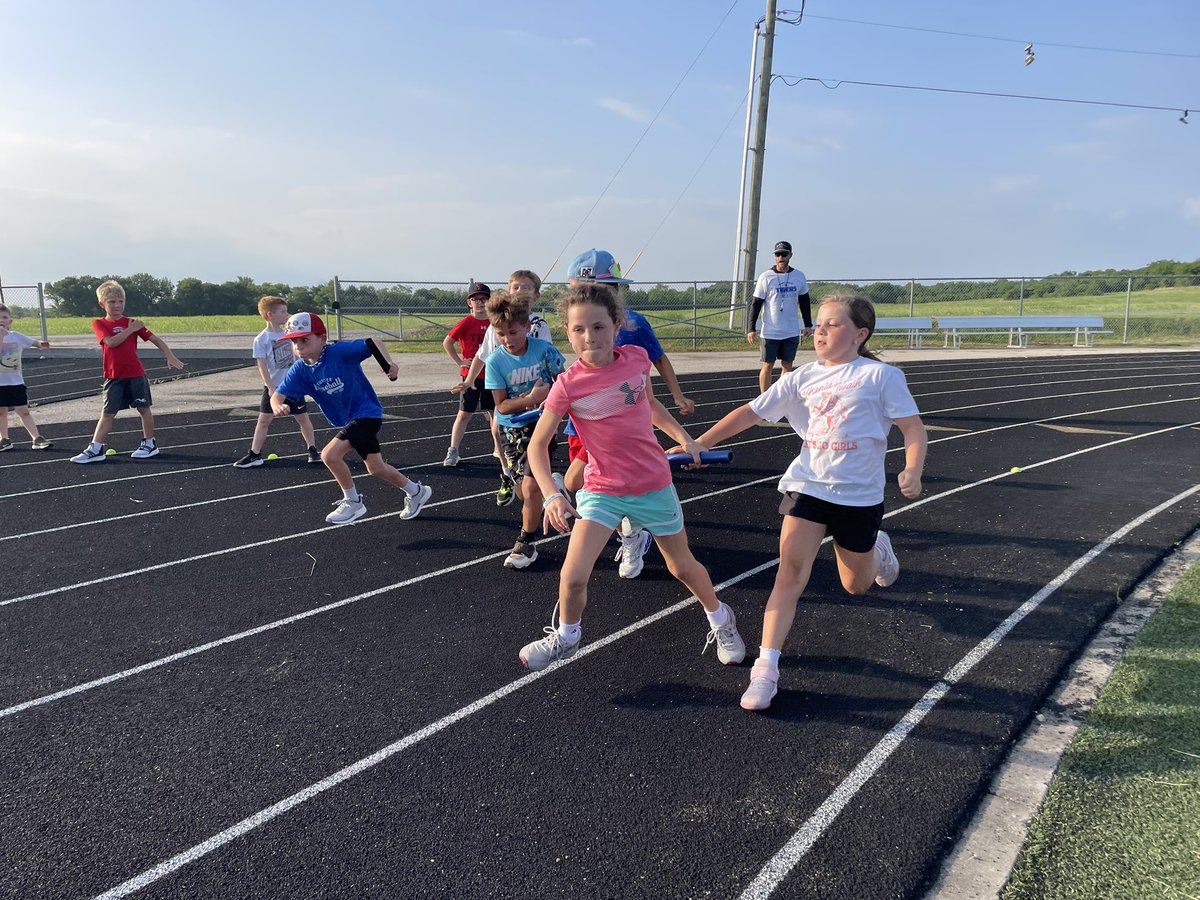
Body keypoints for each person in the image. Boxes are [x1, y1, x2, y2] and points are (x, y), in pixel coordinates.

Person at [691, 294, 927, 711]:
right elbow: (749, 413)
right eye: (818, 323)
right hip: (808, 487)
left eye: (832, 325)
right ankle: (765, 671)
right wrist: (696, 444)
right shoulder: (802, 377)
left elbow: (912, 428)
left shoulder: (881, 376)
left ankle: (878, 547)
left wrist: (912, 469)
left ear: (860, 334)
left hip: (859, 497)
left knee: (855, 586)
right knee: (790, 573)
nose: (819, 330)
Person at [519, 281, 746, 671]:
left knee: (682, 568)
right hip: (603, 490)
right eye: (578, 329)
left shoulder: (638, 359)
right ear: (568, 333)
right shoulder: (567, 386)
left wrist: (686, 439)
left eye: (598, 327)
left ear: (616, 324)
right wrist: (554, 495)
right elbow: (536, 447)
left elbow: (651, 403)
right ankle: (567, 636)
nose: (589, 337)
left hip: (652, 486)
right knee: (573, 576)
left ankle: (721, 619)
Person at [563, 248, 696, 581]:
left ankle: (632, 533)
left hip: (624, 418)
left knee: (616, 480)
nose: (606, 293)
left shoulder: (634, 324)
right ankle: (628, 525)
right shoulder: (577, 320)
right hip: (585, 417)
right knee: (572, 481)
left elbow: (658, 360)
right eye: (598, 285)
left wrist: (677, 396)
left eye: (612, 287)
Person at [271, 312, 432, 525]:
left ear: (322, 338)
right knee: (376, 468)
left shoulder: (339, 352)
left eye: (305, 339)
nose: (299, 346)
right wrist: (277, 406)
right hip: (350, 420)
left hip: (367, 414)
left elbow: (373, 341)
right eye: (294, 341)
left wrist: (389, 366)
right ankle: (416, 491)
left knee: (329, 455)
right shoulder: (300, 369)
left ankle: (353, 501)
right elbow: (277, 395)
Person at [482, 290, 566, 570]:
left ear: (528, 327)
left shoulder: (544, 351)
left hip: (541, 424)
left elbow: (565, 382)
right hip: (513, 430)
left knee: (530, 490)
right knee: (523, 492)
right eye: (501, 334)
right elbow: (502, 407)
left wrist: (552, 397)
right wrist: (532, 398)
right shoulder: (495, 362)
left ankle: (525, 542)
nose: (508, 340)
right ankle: (550, 482)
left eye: (513, 332)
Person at [453, 270, 553, 507]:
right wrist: (469, 381)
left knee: (539, 444)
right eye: (515, 287)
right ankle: (507, 473)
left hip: (536, 392)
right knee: (497, 426)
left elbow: (548, 357)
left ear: (536, 295)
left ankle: (546, 481)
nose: (519, 291)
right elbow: (482, 355)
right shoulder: (495, 325)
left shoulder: (538, 324)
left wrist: (548, 391)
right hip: (506, 390)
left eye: (525, 287)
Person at [71, 280, 185, 463]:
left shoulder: (131, 322)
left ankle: (150, 444)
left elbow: (156, 339)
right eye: (112, 302)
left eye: (120, 301)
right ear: (102, 304)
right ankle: (96, 448)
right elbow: (111, 342)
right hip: (113, 376)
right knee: (108, 413)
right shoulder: (99, 323)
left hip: (135, 375)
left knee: (143, 408)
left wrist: (169, 355)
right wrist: (131, 329)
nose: (117, 305)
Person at [234, 295, 321, 468]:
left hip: (293, 385)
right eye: (282, 312)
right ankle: (255, 454)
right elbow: (262, 366)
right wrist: (272, 388)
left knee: (303, 418)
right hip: (274, 387)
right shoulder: (261, 339)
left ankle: (312, 450)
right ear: (270, 315)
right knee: (264, 420)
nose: (287, 315)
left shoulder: (290, 335)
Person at [440, 282, 500, 467]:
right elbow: (447, 342)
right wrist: (459, 361)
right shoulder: (467, 322)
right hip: (471, 377)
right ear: (469, 302)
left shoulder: (495, 321)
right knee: (464, 414)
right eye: (476, 299)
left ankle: (498, 448)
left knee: (495, 414)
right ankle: (453, 450)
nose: (480, 303)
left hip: (493, 375)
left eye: (484, 299)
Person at [747, 240, 813, 394]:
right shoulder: (766, 277)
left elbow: (804, 302)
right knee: (767, 365)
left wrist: (808, 324)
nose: (780, 257)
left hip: (790, 330)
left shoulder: (798, 276)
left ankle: (782, 397)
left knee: (787, 365)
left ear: (790, 255)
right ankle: (765, 398)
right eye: (777, 254)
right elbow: (756, 304)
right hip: (771, 331)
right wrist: (751, 328)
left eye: (784, 254)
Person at [0, 303, 53, 451]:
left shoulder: (16, 336)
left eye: (4, 317)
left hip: (16, 382)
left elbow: (31, 342)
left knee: (23, 411)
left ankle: (36, 438)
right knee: (1, 412)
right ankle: (4, 439)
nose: (1, 320)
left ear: (10, 322)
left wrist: (41, 344)